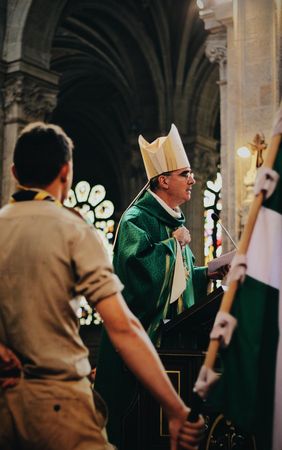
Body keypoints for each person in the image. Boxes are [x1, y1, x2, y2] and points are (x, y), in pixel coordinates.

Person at [0, 122, 205, 450]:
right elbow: (122, 326)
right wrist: (176, 408)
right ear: (66, 172)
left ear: (14, 172)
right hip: (58, 399)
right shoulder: (74, 230)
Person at [95, 124, 227, 447]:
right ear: (164, 180)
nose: (193, 180)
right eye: (186, 173)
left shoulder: (172, 220)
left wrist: (210, 270)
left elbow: (177, 289)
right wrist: (171, 244)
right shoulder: (136, 221)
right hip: (140, 355)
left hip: (176, 346)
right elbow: (139, 282)